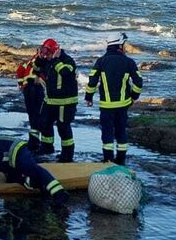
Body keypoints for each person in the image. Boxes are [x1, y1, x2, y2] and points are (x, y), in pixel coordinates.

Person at [0, 124, 68, 205]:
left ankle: (59, 193)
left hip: (17, 150)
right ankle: (40, 186)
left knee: (33, 170)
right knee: (13, 179)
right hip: (10, 164)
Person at [84, 33, 144, 164]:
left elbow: (92, 81)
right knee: (121, 131)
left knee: (107, 133)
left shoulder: (101, 61)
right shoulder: (129, 62)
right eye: (124, 45)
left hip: (106, 106)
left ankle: (107, 159)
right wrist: (133, 97)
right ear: (119, 46)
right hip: (123, 105)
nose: (125, 48)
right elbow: (138, 82)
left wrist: (88, 97)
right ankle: (121, 160)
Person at [35, 38, 79, 162]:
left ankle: (67, 154)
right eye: (44, 51)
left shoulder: (67, 60)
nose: (45, 54)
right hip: (50, 101)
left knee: (63, 128)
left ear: (54, 51)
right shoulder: (47, 61)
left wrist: (55, 60)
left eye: (47, 52)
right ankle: (47, 148)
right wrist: (39, 59)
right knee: (44, 123)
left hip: (65, 102)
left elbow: (65, 72)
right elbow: (36, 70)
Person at [15, 53, 45, 151]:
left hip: (27, 88)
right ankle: (38, 143)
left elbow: (19, 70)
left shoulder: (30, 61)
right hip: (37, 88)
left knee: (32, 115)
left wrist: (20, 84)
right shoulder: (45, 60)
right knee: (38, 115)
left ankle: (33, 142)